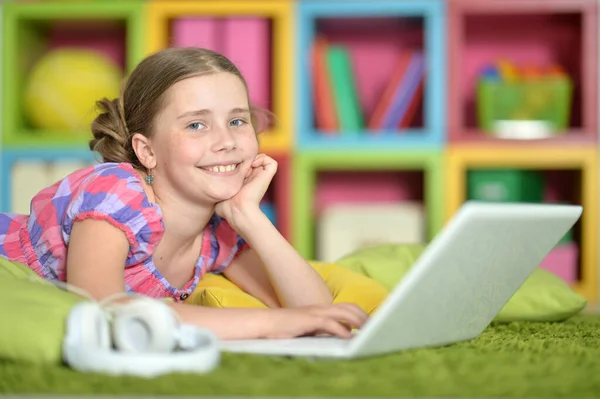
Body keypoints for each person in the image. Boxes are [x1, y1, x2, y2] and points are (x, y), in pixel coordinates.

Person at [0, 47, 369, 340]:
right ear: (147, 151)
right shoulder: (115, 194)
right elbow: (104, 308)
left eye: (237, 121)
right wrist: (270, 325)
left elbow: (315, 312)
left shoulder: (216, 234)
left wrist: (248, 215)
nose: (226, 141)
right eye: (197, 124)